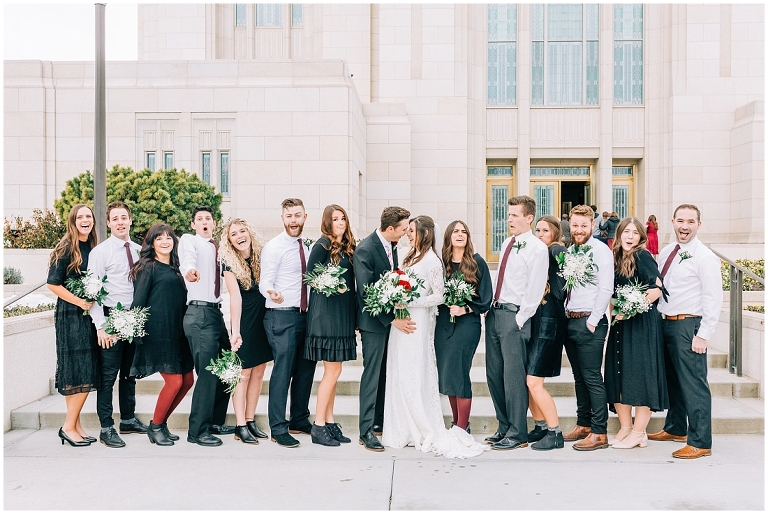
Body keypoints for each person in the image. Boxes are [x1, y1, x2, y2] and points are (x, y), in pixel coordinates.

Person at [382, 215, 487, 458]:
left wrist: (410, 300)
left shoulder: (432, 261)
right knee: (402, 371)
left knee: (419, 371)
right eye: (406, 231)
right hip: (406, 320)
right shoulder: (408, 256)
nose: (408, 234)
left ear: (425, 234)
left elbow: (438, 295)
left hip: (422, 322)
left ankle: (449, 425)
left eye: (412, 231)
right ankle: (404, 425)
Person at [648, 204, 723, 459]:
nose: (685, 226)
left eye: (691, 221)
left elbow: (713, 298)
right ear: (672, 222)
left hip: (688, 325)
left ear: (698, 225)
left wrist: (703, 334)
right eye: (681, 220)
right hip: (665, 322)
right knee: (674, 382)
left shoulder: (705, 257)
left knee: (693, 384)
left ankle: (700, 442)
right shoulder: (668, 251)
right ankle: (676, 427)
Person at [484, 196, 548, 451]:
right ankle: (504, 425)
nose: (509, 219)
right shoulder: (507, 242)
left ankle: (518, 432)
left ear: (529, 217)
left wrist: (520, 319)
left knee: (513, 378)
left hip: (515, 317)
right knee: (494, 374)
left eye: (514, 215)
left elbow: (534, 289)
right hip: (495, 314)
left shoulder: (537, 248)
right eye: (508, 214)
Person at [87, 201, 148, 448]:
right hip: (111, 316)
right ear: (109, 223)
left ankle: (128, 419)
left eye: (124, 217)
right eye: (115, 218)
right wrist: (101, 325)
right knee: (108, 375)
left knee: (129, 374)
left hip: (133, 317)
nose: (120, 222)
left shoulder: (138, 250)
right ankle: (106, 426)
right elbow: (93, 289)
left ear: (130, 220)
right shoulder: (100, 252)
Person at [259, 198, 318, 448]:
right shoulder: (274, 247)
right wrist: (272, 292)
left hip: (306, 315)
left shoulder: (307, 246)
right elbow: (265, 281)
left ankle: (299, 418)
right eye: (289, 216)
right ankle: (278, 427)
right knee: (283, 372)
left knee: (306, 369)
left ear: (305, 217)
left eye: (297, 215)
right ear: (282, 219)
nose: (293, 220)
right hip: (281, 315)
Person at [604, 217, 668, 449]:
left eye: (635, 233)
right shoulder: (616, 258)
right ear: (619, 234)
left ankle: (639, 432)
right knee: (618, 373)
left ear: (641, 236)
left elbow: (657, 288)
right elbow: (612, 293)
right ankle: (626, 427)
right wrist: (614, 314)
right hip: (620, 324)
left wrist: (632, 308)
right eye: (626, 232)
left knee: (641, 376)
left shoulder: (643, 256)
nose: (630, 236)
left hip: (642, 325)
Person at [129, 223, 195, 446]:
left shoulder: (178, 268)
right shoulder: (147, 266)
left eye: (169, 237)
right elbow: (138, 300)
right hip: (158, 332)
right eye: (159, 238)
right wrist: (136, 332)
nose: (165, 241)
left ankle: (162, 422)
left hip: (179, 331)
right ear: (152, 243)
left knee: (187, 380)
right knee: (175, 381)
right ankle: (155, 426)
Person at [354, 206, 412, 452]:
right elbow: (367, 293)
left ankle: (380, 421)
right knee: (372, 374)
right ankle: (365, 430)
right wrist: (391, 320)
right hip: (373, 325)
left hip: (391, 322)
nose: (406, 232)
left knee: (385, 373)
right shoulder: (365, 249)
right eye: (403, 229)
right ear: (390, 229)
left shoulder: (392, 245)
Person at [178, 205, 233, 447]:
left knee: (228, 367)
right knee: (209, 372)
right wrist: (190, 271)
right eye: (199, 219)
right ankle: (197, 431)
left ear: (214, 223)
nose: (204, 222)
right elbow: (187, 261)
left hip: (215, 314)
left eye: (208, 218)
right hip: (199, 313)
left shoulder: (219, 248)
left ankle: (214, 421)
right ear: (193, 224)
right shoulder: (190, 241)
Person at [304, 205, 358, 446]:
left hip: (343, 314)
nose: (340, 222)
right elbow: (310, 276)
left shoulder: (348, 247)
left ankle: (329, 421)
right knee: (332, 371)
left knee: (335, 372)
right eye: (335, 219)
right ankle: (318, 426)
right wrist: (331, 285)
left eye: (343, 218)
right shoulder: (322, 245)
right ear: (327, 222)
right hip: (327, 315)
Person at [561, 204, 614, 450]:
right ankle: (583, 424)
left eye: (584, 225)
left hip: (589, 322)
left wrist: (593, 321)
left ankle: (600, 431)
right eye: (575, 225)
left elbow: (605, 288)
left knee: (592, 377)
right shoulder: (569, 251)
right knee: (579, 377)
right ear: (569, 225)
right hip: (570, 319)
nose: (579, 229)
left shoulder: (601, 251)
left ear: (593, 225)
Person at [47, 204, 100, 446]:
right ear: (73, 221)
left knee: (80, 371)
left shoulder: (93, 246)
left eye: (88, 216)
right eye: (80, 217)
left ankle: (75, 424)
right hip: (71, 315)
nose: (85, 220)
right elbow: (53, 284)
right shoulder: (66, 247)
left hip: (88, 315)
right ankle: (68, 426)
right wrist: (80, 301)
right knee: (80, 370)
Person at [434, 220, 492, 433]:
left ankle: (462, 426)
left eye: (464, 231)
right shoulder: (441, 264)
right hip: (443, 326)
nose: (460, 234)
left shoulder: (477, 262)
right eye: (456, 231)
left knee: (460, 373)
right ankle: (457, 424)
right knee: (448, 373)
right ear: (448, 236)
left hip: (467, 325)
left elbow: (486, 298)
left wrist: (465, 309)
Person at [220, 218, 273, 445]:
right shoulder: (228, 263)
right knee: (243, 374)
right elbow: (235, 297)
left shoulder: (263, 255)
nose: (239, 236)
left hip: (265, 319)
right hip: (246, 320)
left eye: (242, 231)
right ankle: (240, 425)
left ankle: (251, 420)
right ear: (229, 241)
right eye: (234, 234)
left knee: (259, 371)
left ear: (249, 233)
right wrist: (236, 331)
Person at [526, 215, 568, 451]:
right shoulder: (539, 253)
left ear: (555, 232)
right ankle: (540, 426)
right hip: (536, 321)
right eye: (538, 230)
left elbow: (569, 276)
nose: (540, 234)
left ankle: (555, 433)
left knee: (534, 381)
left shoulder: (556, 250)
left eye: (545, 230)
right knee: (528, 380)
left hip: (550, 322)